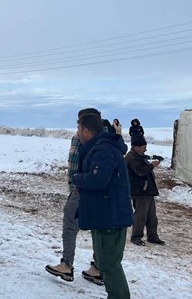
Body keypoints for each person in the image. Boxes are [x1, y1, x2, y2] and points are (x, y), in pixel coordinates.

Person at [72, 108, 133, 299]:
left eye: (79, 129)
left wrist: (77, 178)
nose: (78, 134)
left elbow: (98, 179)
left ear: (86, 131)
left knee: (109, 264)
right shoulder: (100, 147)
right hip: (107, 215)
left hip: (110, 217)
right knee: (108, 263)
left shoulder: (103, 149)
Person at [45, 108, 103, 286]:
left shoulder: (89, 139)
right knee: (96, 228)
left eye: (79, 122)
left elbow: (80, 164)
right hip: (87, 189)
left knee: (70, 224)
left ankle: (67, 265)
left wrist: (75, 184)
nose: (77, 126)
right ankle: (98, 268)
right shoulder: (102, 138)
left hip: (81, 188)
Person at [126, 135, 165, 246]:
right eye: (143, 147)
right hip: (139, 191)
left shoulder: (138, 156)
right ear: (136, 147)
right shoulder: (131, 158)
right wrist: (152, 165)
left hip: (147, 190)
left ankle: (152, 236)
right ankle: (136, 236)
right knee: (141, 215)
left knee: (152, 216)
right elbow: (140, 171)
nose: (145, 149)